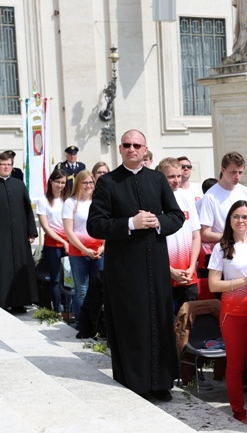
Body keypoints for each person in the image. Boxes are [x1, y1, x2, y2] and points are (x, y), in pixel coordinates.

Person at [86, 129, 185, 401]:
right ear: (120, 149)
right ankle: (136, 383)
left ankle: (161, 382)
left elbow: (176, 216)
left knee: (160, 320)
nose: (132, 149)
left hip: (156, 266)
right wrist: (131, 223)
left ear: (145, 149)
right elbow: (94, 225)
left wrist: (159, 223)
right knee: (133, 323)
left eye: (137, 145)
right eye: (127, 145)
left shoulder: (157, 180)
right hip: (125, 271)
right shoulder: (108, 182)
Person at [208, 200, 247, 432]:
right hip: (233, 314)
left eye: (245, 217)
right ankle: (238, 414)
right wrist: (242, 282)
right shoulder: (222, 247)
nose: (240, 221)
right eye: (236, 216)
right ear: (230, 220)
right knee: (235, 366)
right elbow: (214, 283)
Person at [156, 158, 201, 314]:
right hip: (163, 273)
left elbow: (196, 235)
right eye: (171, 177)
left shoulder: (186, 197)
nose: (176, 181)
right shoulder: (154, 201)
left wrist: (191, 266)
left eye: (178, 176)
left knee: (187, 321)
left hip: (187, 275)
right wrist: (169, 270)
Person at [0, 152, 38, 312]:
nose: (6, 167)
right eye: (3, 164)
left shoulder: (19, 185)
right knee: (2, 267)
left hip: (20, 235)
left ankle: (20, 302)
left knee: (21, 266)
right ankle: (2, 303)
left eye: (9, 164)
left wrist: (31, 232)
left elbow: (27, 209)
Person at [63, 170, 104, 329]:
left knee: (97, 290)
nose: (88, 186)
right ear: (78, 184)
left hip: (98, 251)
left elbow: (106, 226)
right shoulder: (70, 203)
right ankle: (82, 324)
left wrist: (102, 247)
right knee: (82, 290)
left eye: (91, 182)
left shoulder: (99, 202)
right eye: (85, 182)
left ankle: (96, 323)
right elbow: (69, 231)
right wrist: (85, 250)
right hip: (78, 252)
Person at [198, 151, 247, 245]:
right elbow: (205, 234)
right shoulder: (210, 196)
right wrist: (232, 237)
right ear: (223, 170)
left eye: (240, 172)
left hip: (246, 247)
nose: (237, 176)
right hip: (224, 250)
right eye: (233, 172)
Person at [36, 169, 70, 313]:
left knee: (69, 279)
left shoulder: (68, 200)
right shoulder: (43, 201)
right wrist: (63, 241)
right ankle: (57, 310)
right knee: (55, 278)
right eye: (57, 182)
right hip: (53, 244)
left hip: (70, 243)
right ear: (51, 181)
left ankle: (69, 309)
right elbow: (46, 227)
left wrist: (69, 240)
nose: (60, 185)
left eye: (63, 182)